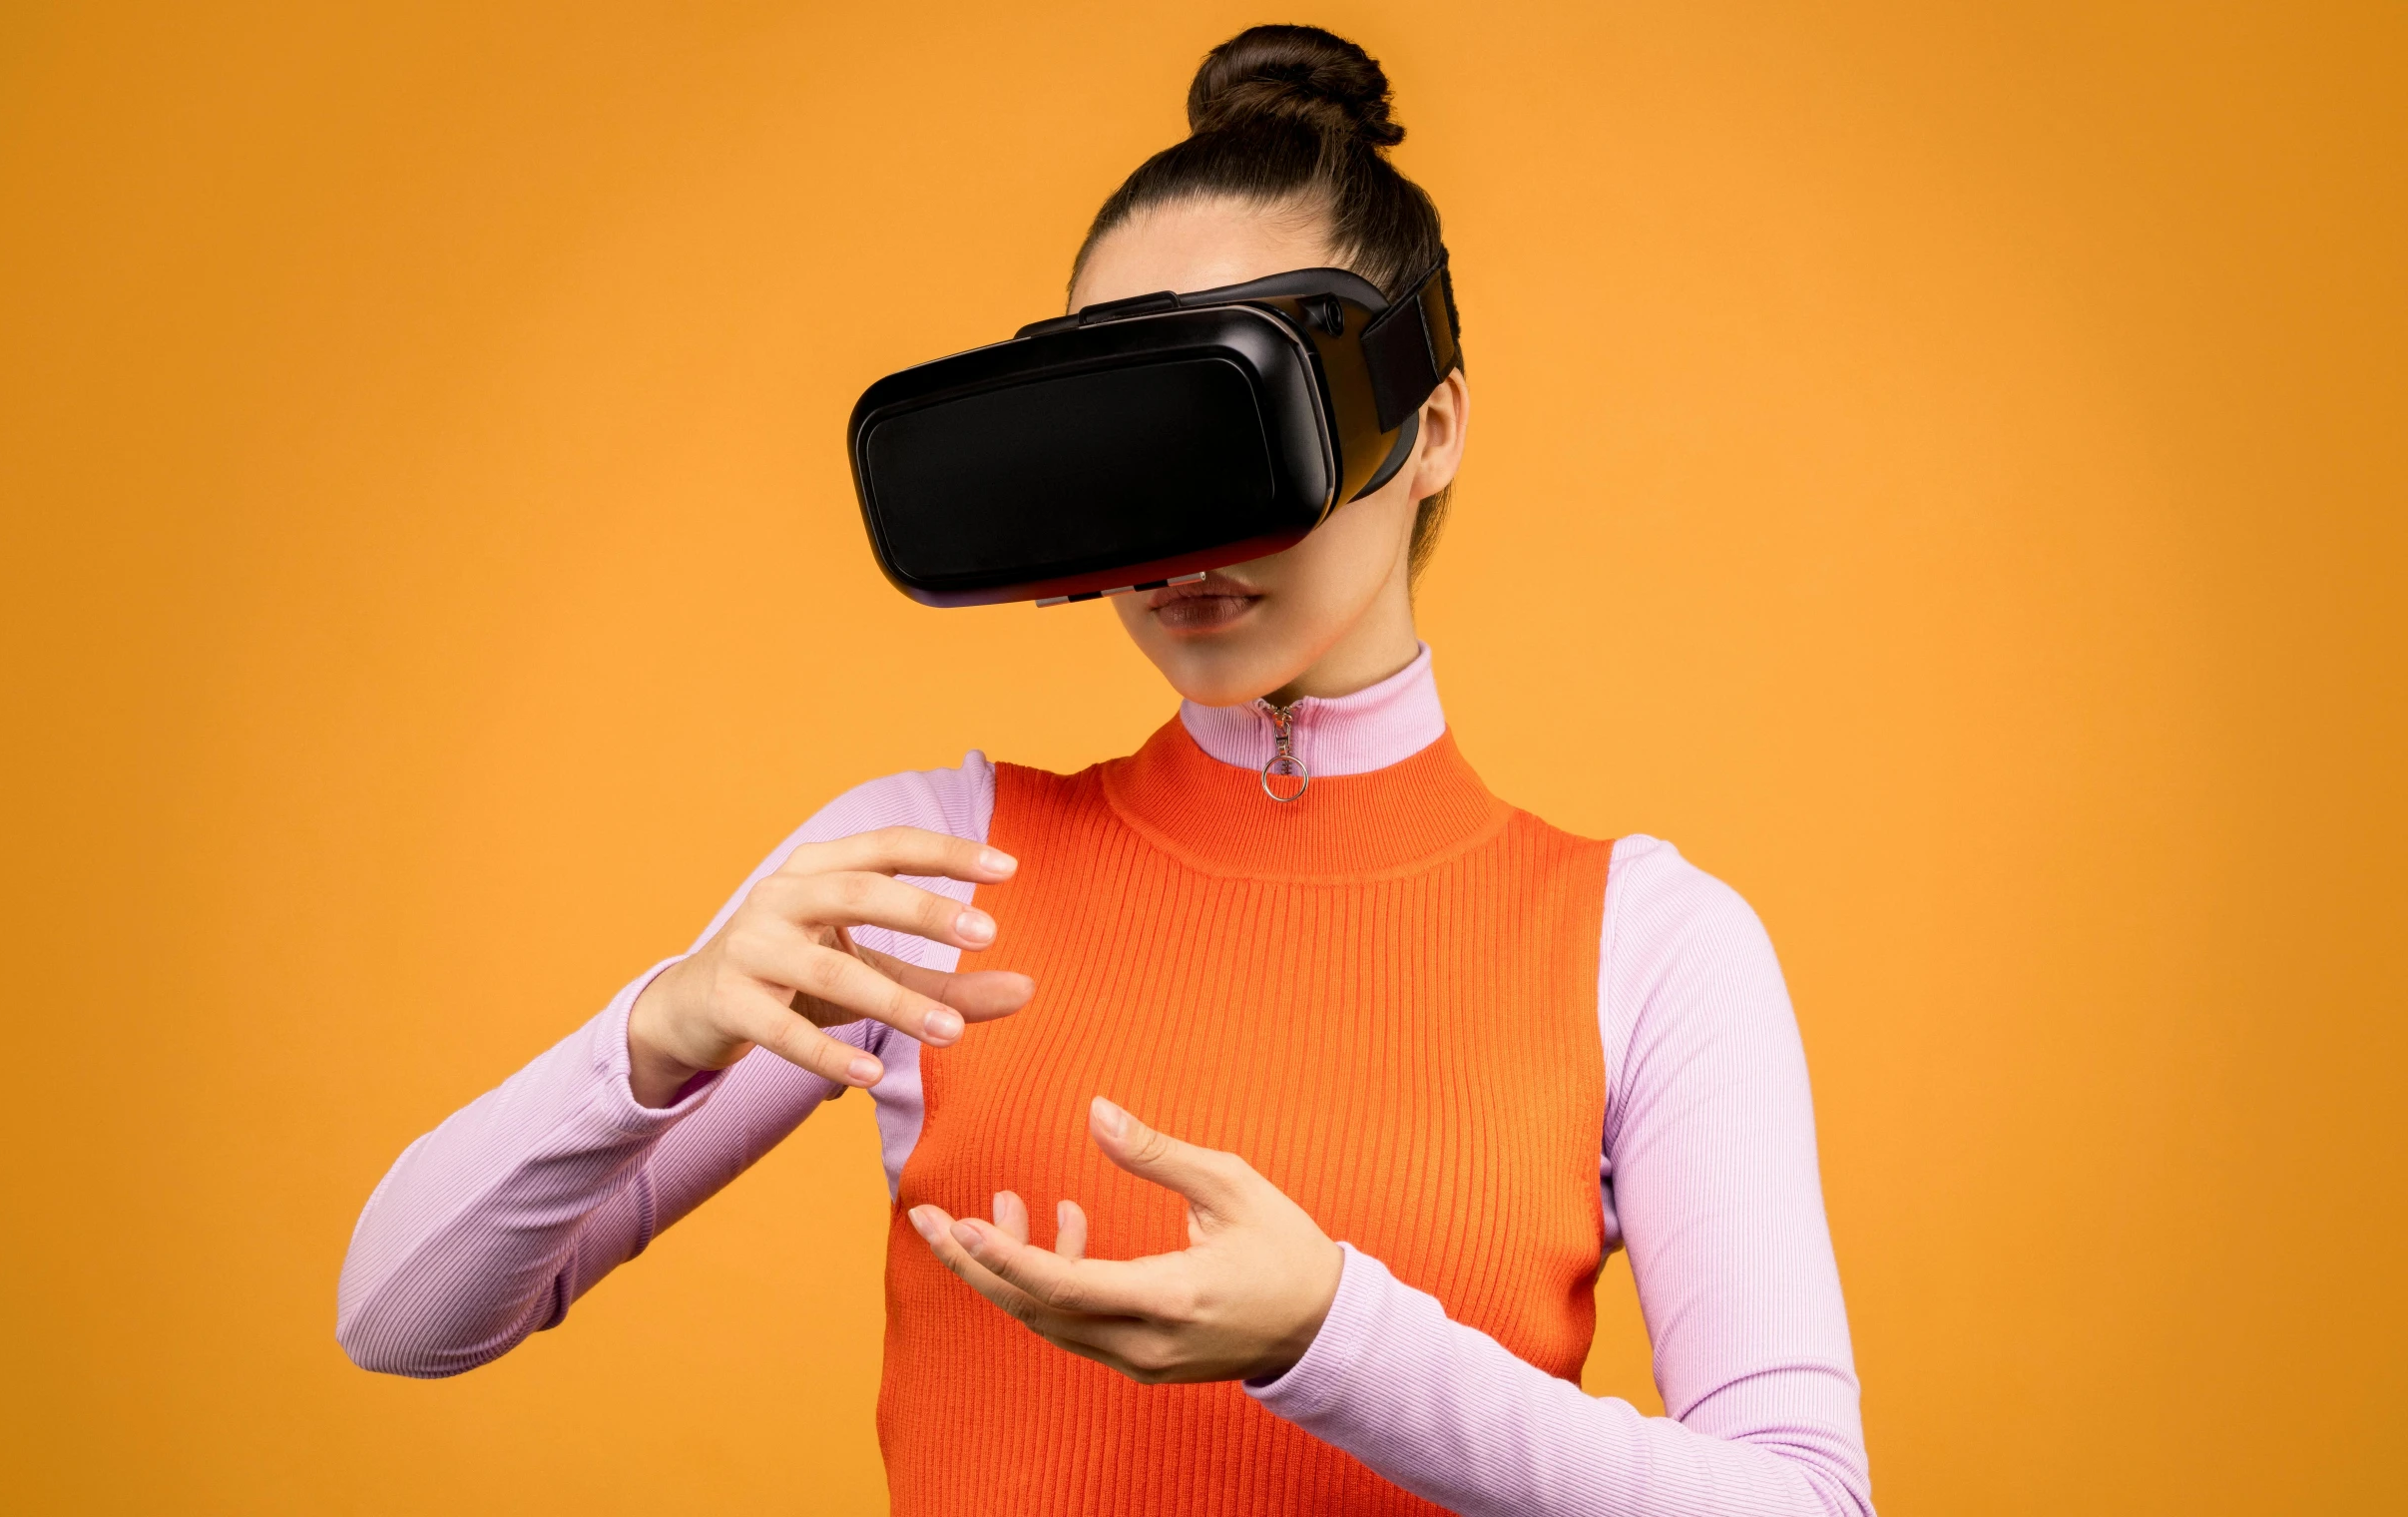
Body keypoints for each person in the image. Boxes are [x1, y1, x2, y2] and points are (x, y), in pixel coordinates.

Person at [337, 25, 1873, 1517]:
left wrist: (1331, 1336)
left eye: (1223, 414)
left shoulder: (1648, 948)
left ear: (1432, 424)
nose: (1177, 539)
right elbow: (399, 1315)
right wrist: (653, 1034)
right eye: (1116, 433)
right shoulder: (928, 865)